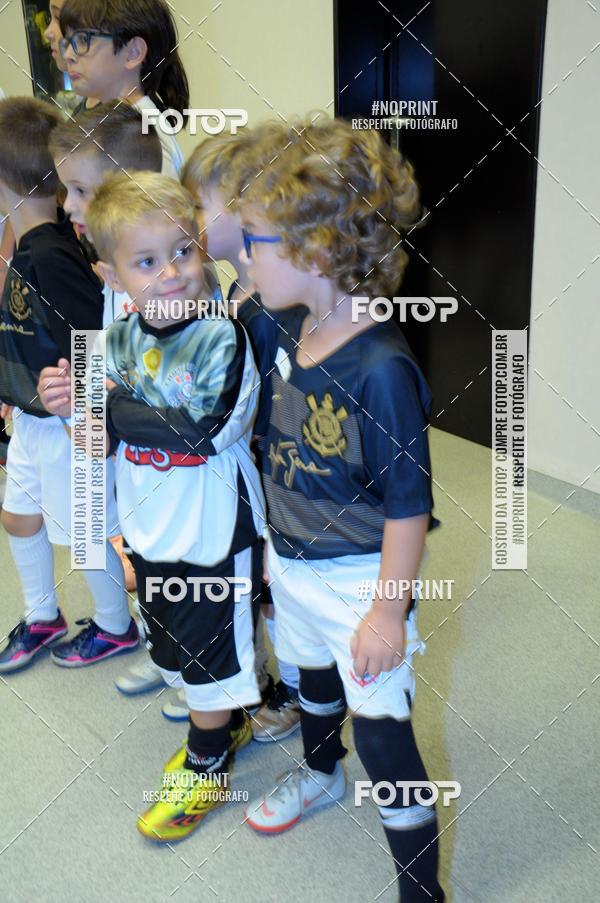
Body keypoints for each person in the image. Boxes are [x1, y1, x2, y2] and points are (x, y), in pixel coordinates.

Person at [237, 117, 446, 902]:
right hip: (293, 565)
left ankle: (422, 889)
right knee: (311, 676)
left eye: (256, 239)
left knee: (386, 737)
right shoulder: (298, 324)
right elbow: (282, 448)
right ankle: (322, 770)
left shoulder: (383, 368)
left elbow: (408, 507)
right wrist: (273, 546)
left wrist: (387, 614)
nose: (246, 253)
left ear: (316, 252)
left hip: (362, 582)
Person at [85, 171, 266, 841]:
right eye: (147, 261)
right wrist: (91, 416)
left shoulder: (222, 336)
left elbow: (199, 428)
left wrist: (109, 406)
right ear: (111, 274)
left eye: (184, 250)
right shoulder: (123, 338)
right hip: (152, 526)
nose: (172, 273)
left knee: (211, 655)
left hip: (213, 528)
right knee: (178, 648)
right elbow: (103, 429)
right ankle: (238, 713)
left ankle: (209, 760)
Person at [0, 96, 137, 673]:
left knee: (84, 534)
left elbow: (94, 333)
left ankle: (115, 627)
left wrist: (82, 406)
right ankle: (42, 616)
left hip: (67, 423)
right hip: (32, 418)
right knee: (18, 515)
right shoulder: (29, 246)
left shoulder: (52, 254)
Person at [180, 130, 303, 741]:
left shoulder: (277, 306)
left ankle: (304, 693)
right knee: (256, 585)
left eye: (200, 205)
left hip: (279, 475)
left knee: (278, 589)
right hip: (248, 472)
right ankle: (268, 683)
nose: (192, 217)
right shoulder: (236, 288)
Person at [57, 0, 188, 177]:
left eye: (83, 39)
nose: (68, 55)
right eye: (68, 41)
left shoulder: (148, 139)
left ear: (133, 52)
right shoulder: (116, 124)